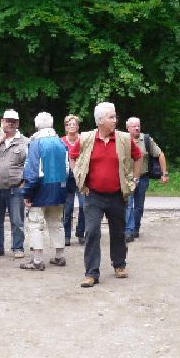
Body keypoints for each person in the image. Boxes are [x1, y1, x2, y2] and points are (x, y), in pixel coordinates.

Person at [72, 102, 142, 288]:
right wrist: (78, 176)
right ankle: (91, 273)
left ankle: (119, 264)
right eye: (111, 117)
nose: (115, 120)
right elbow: (73, 155)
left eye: (115, 116)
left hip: (117, 194)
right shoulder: (86, 138)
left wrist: (134, 180)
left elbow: (138, 156)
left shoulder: (124, 139)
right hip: (93, 195)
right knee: (92, 231)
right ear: (100, 120)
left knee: (118, 231)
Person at [20, 112, 69, 271]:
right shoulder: (61, 143)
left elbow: (33, 172)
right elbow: (68, 169)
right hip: (60, 188)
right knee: (56, 223)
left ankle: (37, 260)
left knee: (35, 223)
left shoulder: (36, 143)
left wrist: (27, 193)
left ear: (37, 126)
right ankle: (59, 256)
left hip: (41, 189)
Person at [0, 109, 29, 259]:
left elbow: (30, 165)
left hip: (16, 187)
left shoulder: (25, 141)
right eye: (7, 120)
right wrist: (1, 138)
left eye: (13, 121)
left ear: (17, 123)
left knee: (17, 221)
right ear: (1, 122)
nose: (10, 123)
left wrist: (25, 183)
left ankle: (18, 248)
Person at [124, 117, 169, 242]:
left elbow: (160, 154)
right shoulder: (123, 140)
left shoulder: (146, 139)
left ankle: (136, 228)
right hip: (127, 178)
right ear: (128, 128)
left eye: (138, 126)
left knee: (138, 206)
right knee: (128, 205)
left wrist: (164, 174)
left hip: (143, 177)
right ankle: (129, 230)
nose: (137, 128)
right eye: (134, 126)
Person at [61, 114, 85, 246]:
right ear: (65, 127)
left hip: (82, 177)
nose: (72, 126)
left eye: (74, 124)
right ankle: (66, 235)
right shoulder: (61, 141)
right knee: (67, 208)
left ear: (78, 126)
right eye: (69, 124)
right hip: (67, 178)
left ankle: (81, 233)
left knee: (84, 206)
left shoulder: (84, 140)